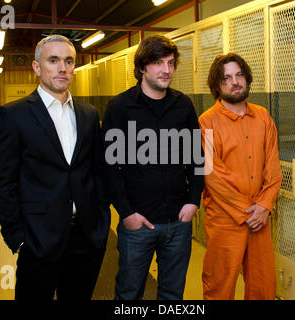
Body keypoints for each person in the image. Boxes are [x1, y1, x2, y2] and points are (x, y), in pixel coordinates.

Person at [0, 35, 110, 300]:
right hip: (38, 239)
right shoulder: (14, 115)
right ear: (37, 67)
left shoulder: (88, 114)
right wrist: (18, 238)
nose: (62, 68)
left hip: (85, 236)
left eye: (68, 61)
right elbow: (2, 183)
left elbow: (98, 171)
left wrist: (101, 222)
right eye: (53, 60)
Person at [101, 35, 204, 300]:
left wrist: (194, 201)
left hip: (178, 222)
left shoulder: (183, 105)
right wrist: (126, 213)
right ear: (142, 67)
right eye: (158, 63)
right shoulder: (120, 107)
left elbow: (197, 156)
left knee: (172, 294)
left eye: (170, 63)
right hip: (138, 223)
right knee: (129, 293)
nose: (166, 70)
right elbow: (109, 167)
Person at [199, 53, 282, 300]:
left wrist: (265, 206)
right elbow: (213, 176)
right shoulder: (206, 123)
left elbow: (273, 169)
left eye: (239, 75)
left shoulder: (263, 117)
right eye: (226, 78)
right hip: (226, 219)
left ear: (246, 78)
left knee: (263, 285)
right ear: (217, 85)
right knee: (219, 286)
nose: (235, 82)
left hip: (260, 217)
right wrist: (249, 211)